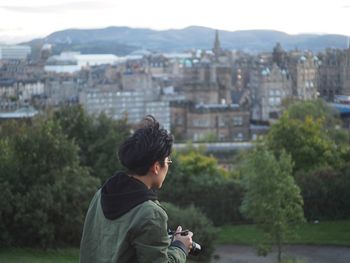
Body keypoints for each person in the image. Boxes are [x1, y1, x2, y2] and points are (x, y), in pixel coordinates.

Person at [80, 115, 193, 263]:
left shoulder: (101, 194)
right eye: (168, 161)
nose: (168, 166)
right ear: (156, 167)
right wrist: (180, 247)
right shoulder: (150, 214)